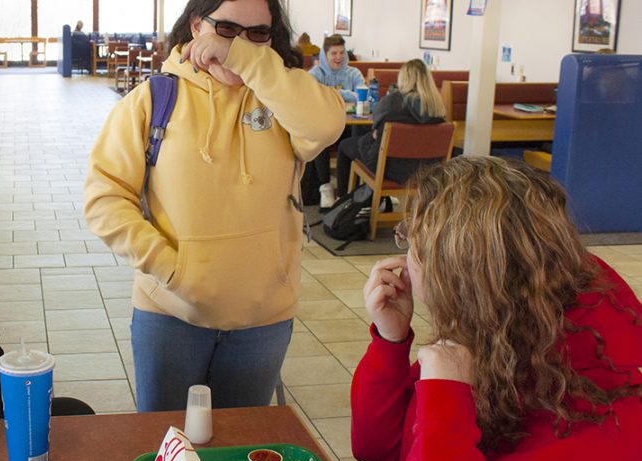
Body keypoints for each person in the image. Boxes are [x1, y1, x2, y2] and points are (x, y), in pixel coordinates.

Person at [85, 0, 346, 412]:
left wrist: (247, 59)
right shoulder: (152, 100)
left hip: (263, 318)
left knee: (239, 455)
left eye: (258, 34)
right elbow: (104, 198)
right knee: (167, 451)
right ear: (196, 26)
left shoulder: (281, 98)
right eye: (226, 30)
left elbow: (326, 124)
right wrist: (171, 269)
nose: (239, 46)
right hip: (170, 313)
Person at [351, 156, 642, 461]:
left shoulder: (588, 446)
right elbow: (376, 447)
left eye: (413, 241)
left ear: (459, 275)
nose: (406, 258)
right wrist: (389, 341)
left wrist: (445, 394)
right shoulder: (496, 333)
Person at [335, 58, 445, 201]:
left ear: (404, 78)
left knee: (345, 146)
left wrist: (377, 132)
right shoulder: (437, 106)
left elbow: (376, 125)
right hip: (428, 170)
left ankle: (342, 200)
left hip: (391, 168)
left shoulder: (393, 101)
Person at [305, 34, 364, 208]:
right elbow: (311, 98)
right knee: (320, 135)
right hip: (325, 125)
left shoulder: (354, 73)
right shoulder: (314, 74)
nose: (338, 57)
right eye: (333, 53)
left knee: (357, 137)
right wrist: (347, 95)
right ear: (325, 55)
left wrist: (332, 93)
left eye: (341, 53)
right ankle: (325, 186)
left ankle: (347, 191)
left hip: (349, 126)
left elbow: (362, 95)